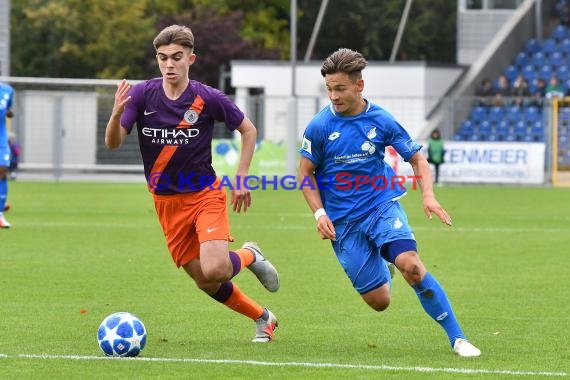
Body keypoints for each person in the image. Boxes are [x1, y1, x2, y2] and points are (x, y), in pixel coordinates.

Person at [298, 48, 481, 357]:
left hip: (380, 206)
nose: (333, 96)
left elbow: (418, 161)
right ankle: (385, 264)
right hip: (343, 222)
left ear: (359, 85)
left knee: (411, 266)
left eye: (340, 88)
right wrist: (319, 213)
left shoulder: (382, 120)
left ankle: (458, 338)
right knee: (379, 302)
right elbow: (305, 174)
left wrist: (429, 195)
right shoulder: (319, 127)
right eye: (329, 89)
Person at [105, 25, 279, 342]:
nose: (169, 64)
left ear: (191, 58)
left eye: (176, 57)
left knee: (216, 269)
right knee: (205, 280)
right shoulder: (142, 95)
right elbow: (113, 143)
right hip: (165, 203)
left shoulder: (207, 97)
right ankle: (262, 318)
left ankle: (250, 255)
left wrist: (241, 178)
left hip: (204, 195)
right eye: (162, 58)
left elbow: (249, 130)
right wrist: (116, 115)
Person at [0, 79, 15, 228]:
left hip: (1, 136)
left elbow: (8, 109)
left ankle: (0, 214)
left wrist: (10, 112)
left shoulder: (7, 90)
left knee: (3, 169)